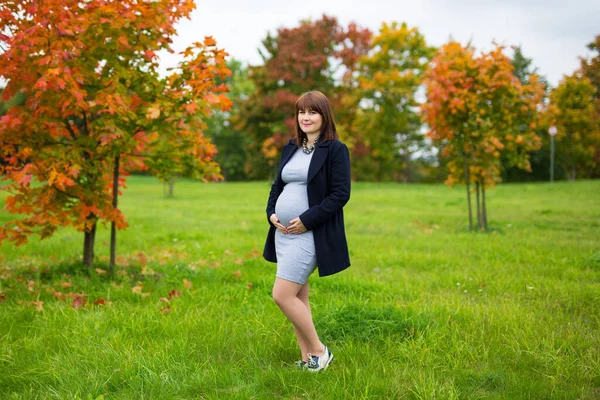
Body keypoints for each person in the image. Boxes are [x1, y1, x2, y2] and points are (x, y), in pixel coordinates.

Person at [263, 90, 351, 372]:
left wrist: (307, 219)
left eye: (312, 112)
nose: (306, 117)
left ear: (324, 116)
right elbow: (278, 187)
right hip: (283, 234)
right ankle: (307, 359)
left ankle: (319, 351)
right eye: (302, 112)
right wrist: (272, 214)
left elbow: (340, 194)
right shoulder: (291, 148)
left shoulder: (336, 150)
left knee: (282, 295)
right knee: (298, 297)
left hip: (310, 234)